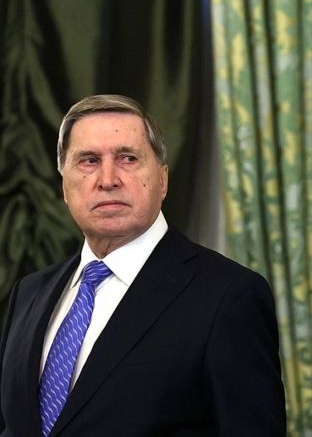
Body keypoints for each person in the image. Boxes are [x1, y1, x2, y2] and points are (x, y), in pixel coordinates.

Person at [0, 95, 286, 436]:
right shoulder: (29, 293)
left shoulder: (228, 295)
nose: (108, 179)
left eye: (128, 158)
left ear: (163, 180)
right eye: (89, 161)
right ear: (64, 186)